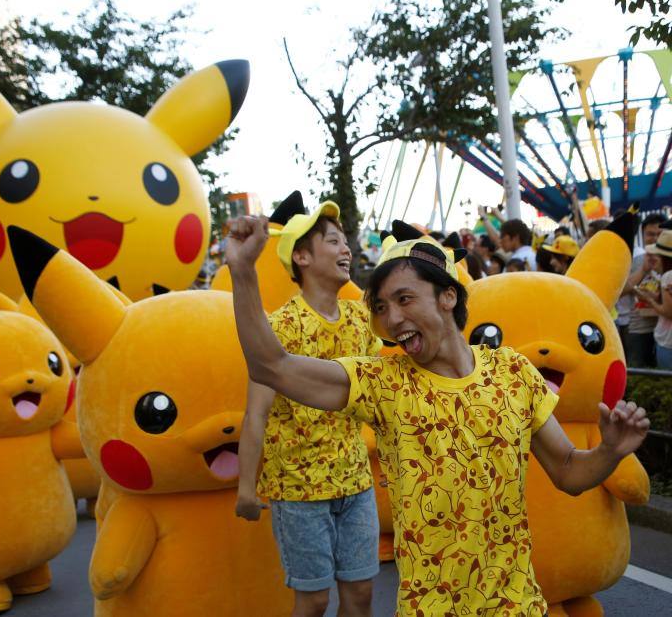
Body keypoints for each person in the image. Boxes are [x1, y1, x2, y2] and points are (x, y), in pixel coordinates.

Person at [225, 216, 650, 617]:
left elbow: (569, 471)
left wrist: (610, 451)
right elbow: (272, 366)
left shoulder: (513, 372)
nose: (391, 319)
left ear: (448, 295)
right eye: (381, 308)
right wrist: (243, 272)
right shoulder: (382, 383)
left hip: (517, 605)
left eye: (404, 299)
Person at [234, 202, 382, 617]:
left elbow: (379, 398)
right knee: (314, 601)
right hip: (298, 490)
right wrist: (247, 488)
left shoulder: (361, 320)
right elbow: (256, 413)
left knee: (360, 595)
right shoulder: (279, 327)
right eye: (333, 241)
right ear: (301, 256)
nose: (347, 249)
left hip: (356, 485)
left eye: (346, 241)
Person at [622, 213, 667, 367]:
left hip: (664, 330)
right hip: (639, 328)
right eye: (650, 234)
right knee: (639, 374)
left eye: (659, 234)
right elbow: (622, 290)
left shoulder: (669, 258)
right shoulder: (636, 259)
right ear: (642, 234)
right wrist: (643, 270)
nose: (654, 238)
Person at [634, 229, 672, 369]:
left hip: (667, 341)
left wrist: (649, 301)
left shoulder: (668, 276)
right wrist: (655, 297)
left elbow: (668, 312)